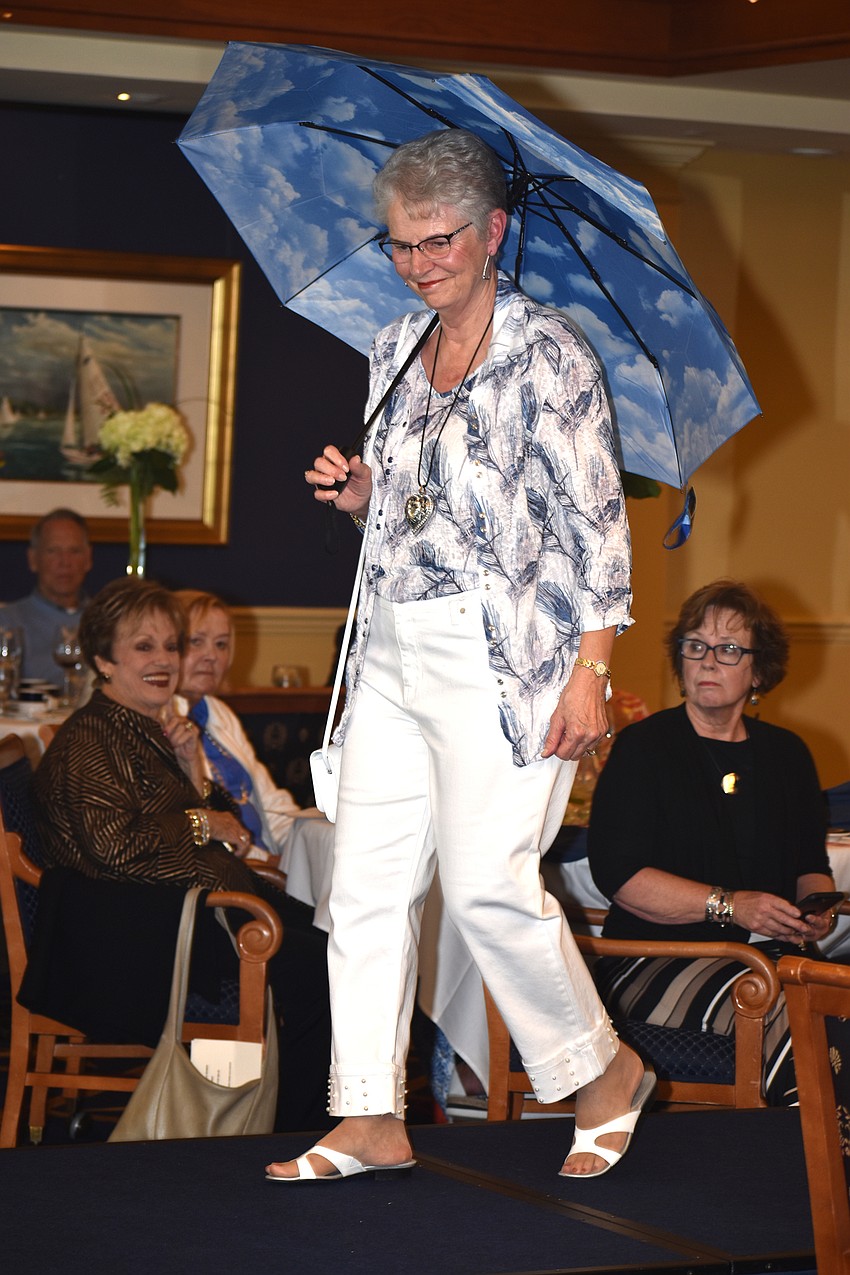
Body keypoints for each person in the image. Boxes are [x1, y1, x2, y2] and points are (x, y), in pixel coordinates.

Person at [268, 128, 648, 1184]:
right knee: (366, 886)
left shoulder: (550, 352)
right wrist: (360, 499)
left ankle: (600, 1073)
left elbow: (596, 528)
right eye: (400, 245)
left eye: (439, 240)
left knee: (488, 888)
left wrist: (591, 671)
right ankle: (370, 1115)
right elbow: (412, 514)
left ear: (492, 232)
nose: (421, 262)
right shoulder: (393, 349)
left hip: (506, 654)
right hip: (390, 643)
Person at [32, 577, 332, 1132]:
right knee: (323, 971)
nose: (164, 660)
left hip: (189, 912)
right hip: (130, 938)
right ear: (103, 657)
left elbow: (203, 825)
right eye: (143, 647)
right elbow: (115, 849)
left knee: (334, 954)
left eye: (171, 645)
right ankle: (288, 1131)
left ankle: (293, 1123)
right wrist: (201, 820)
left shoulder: (144, 728)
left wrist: (192, 767)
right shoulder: (92, 739)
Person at [587, 579, 835, 1105]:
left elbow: (811, 864)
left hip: (768, 957)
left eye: (727, 650)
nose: (707, 661)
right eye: (695, 647)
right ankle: (799, 1165)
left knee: (829, 1000)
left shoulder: (788, 755)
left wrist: (816, 909)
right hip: (651, 959)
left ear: (758, 669)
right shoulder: (645, 748)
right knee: (790, 1014)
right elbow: (620, 877)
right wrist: (732, 907)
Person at [174, 588, 310, 865]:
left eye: (221, 644)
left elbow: (271, 803)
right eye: (196, 641)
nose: (211, 655)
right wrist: (270, 862)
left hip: (267, 862)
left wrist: (303, 844)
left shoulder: (218, 711)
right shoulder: (162, 720)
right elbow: (199, 825)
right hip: (230, 870)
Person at [0, 508, 92, 683]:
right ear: (33, 559)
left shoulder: (107, 621)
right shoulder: (7, 623)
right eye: (53, 551)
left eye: (74, 551)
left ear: (88, 559)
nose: (65, 562)